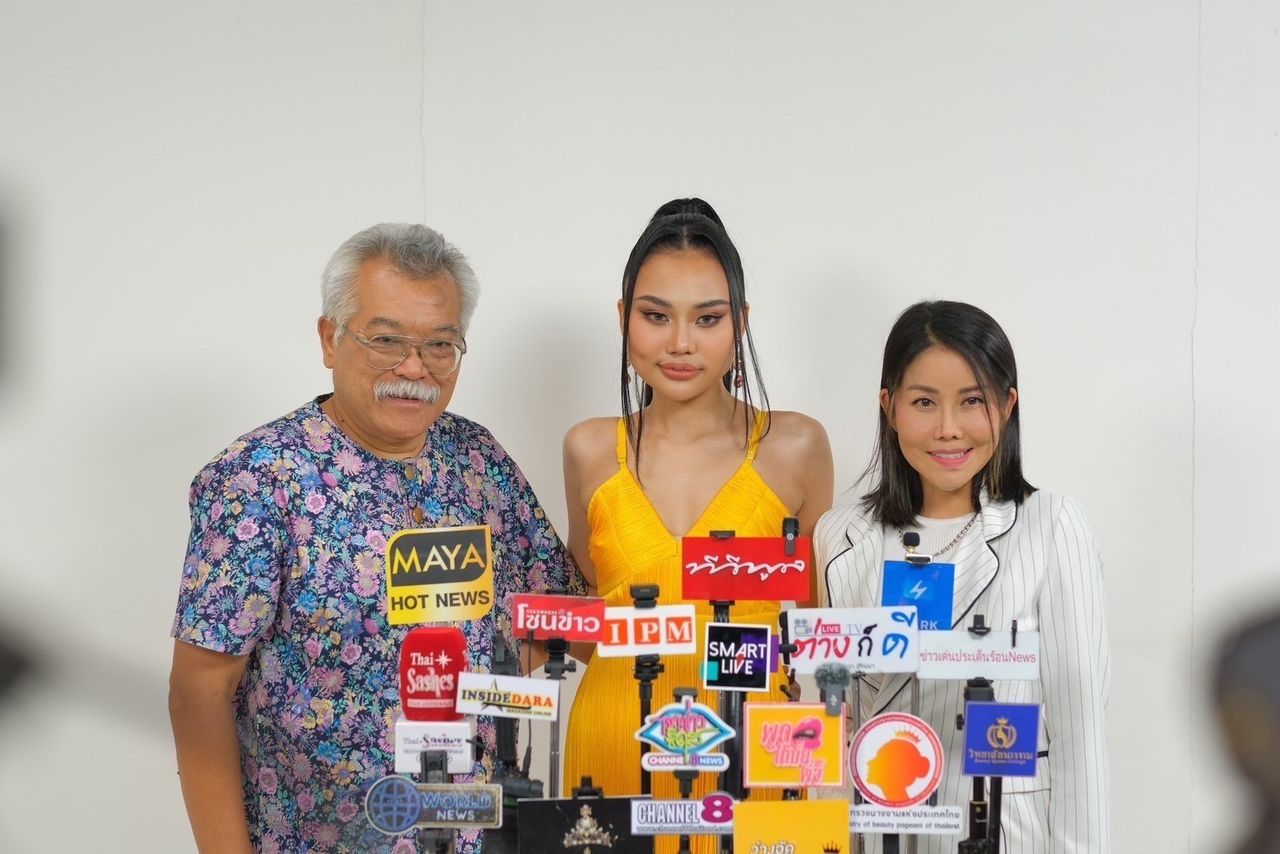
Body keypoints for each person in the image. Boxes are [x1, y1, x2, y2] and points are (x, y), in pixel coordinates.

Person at [167, 223, 583, 854]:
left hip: (474, 833)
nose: (413, 368)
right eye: (386, 339)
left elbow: (558, 620)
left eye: (439, 344)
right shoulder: (259, 479)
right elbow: (200, 691)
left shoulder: (478, 460)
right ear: (329, 338)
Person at [560, 198, 834, 849]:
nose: (681, 342)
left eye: (707, 318)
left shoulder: (795, 445)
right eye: (656, 316)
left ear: (740, 323)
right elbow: (584, 615)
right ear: (624, 318)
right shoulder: (589, 448)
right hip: (613, 741)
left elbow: (817, 628)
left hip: (761, 746)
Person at [816, 300, 1110, 853]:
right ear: (889, 407)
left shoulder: (1052, 526)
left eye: (972, 401)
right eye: (924, 402)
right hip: (879, 834)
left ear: (1007, 405)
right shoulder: (841, 537)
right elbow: (839, 719)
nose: (948, 429)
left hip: (1001, 832)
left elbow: (1080, 733)